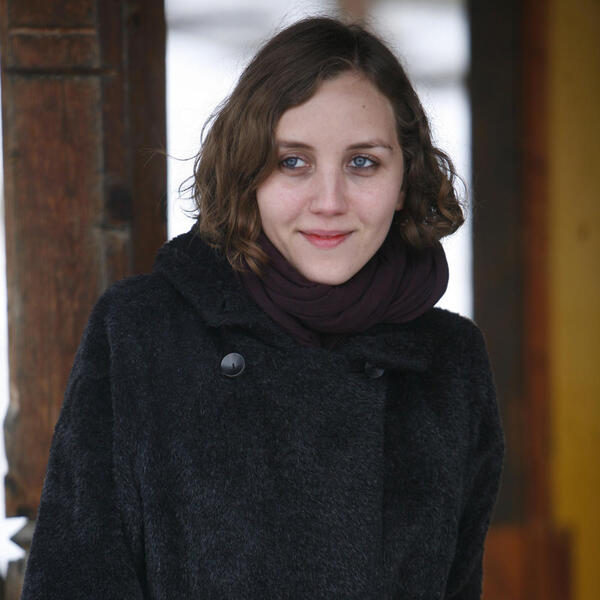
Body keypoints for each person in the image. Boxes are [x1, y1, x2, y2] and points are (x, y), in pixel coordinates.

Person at [22, 16, 503, 599]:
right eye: (293, 162)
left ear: (404, 181)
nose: (329, 202)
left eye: (363, 162)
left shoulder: (450, 362)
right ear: (248, 172)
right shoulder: (141, 332)